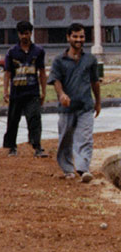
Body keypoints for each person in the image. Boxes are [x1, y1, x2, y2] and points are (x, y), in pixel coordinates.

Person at [48, 22, 101, 183]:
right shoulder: (59, 60)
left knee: (85, 138)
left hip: (85, 105)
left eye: (82, 36)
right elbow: (55, 80)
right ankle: (68, 169)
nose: (79, 40)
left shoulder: (90, 59)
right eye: (75, 36)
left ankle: (83, 169)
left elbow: (95, 82)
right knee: (65, 139)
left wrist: (98, 102)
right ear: (68, 37)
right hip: (67, 108)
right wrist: (61, 94)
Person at [2, 21, 48, 157]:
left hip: (32, 92)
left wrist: (43, 91)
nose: (24, 36)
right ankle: (12, 147)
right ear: (18, 34)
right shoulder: (11, 52)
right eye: (22, 34)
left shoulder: (38, 51)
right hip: (16, 92)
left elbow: (42, 72)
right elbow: (7, 73)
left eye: (27, 33)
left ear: (31, 33)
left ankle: (37, 146)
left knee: (34, 118)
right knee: (13, 120)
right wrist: (5, 91)